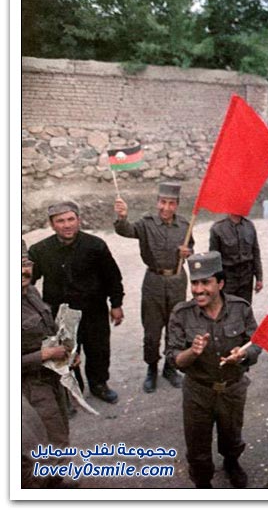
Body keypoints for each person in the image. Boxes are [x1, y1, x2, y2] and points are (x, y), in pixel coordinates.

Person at [165, 251, 261, 488]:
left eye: (205, 283)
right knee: (197, 446)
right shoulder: (181, 314)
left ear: (220, 283)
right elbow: (173, 358)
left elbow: (256, 342)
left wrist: (243, 354)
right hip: (198, 392)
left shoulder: (240, 308)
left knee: (232, 436)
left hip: (233, 389)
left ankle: (231, 463)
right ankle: (202, 482)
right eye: (194, 283)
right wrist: (192, 352)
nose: (198, 290)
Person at [29, 201, 124, 404]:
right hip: (61, 316)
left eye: (71, 219)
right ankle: (74, 390)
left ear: (78, 220)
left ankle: (99, 384)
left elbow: (112, 277)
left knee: (98, 350)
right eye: (60, 221)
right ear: (52, 224)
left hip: (94, 311)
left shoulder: (96, 245)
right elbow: (27, 282)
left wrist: (116, 304)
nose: (67, 225)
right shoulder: (40, 250)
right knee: (67, 354)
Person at [114, 182, 193, 393]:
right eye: (163, 202)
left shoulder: (185, 225)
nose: (166, 207)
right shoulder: (146, 223)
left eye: (171, 203)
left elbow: (191, 247)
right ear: (157, 202)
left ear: (177, 205)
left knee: (175, 327)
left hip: (177, 280)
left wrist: (187, 252)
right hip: (153, 282)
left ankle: (170, 367)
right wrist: (122, 217)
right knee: (152, 330)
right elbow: (126, 231)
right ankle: (151, 368)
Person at [22, 239, 73, 449]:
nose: (23, 271)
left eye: (25, 263)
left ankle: (58, 469)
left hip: (51, 376)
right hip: (29, 385)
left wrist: (67, 352)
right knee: (48, 439)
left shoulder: (31, 292)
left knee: (60, 430)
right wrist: (47, 354)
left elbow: (48, 330)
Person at [209, 214, 263, 304]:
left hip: (247, 276)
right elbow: (213, 258)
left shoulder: (249, 226)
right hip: (228, 276)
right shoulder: (217, 228)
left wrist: (259, 278)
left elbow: (256, 253)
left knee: (245, 306)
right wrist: (215, 281)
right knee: (227, 306)